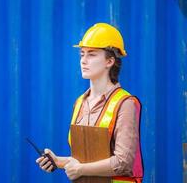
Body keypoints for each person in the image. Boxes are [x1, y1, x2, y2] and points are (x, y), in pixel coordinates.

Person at [36, 23, 143, 182]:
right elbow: (88, 158)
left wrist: (80, 169)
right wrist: (59, 162)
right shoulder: (80, 103)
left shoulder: (124, 103)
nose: (83, 61)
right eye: (82, 54)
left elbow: (123, 162)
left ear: (109, 61)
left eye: (92, 54)